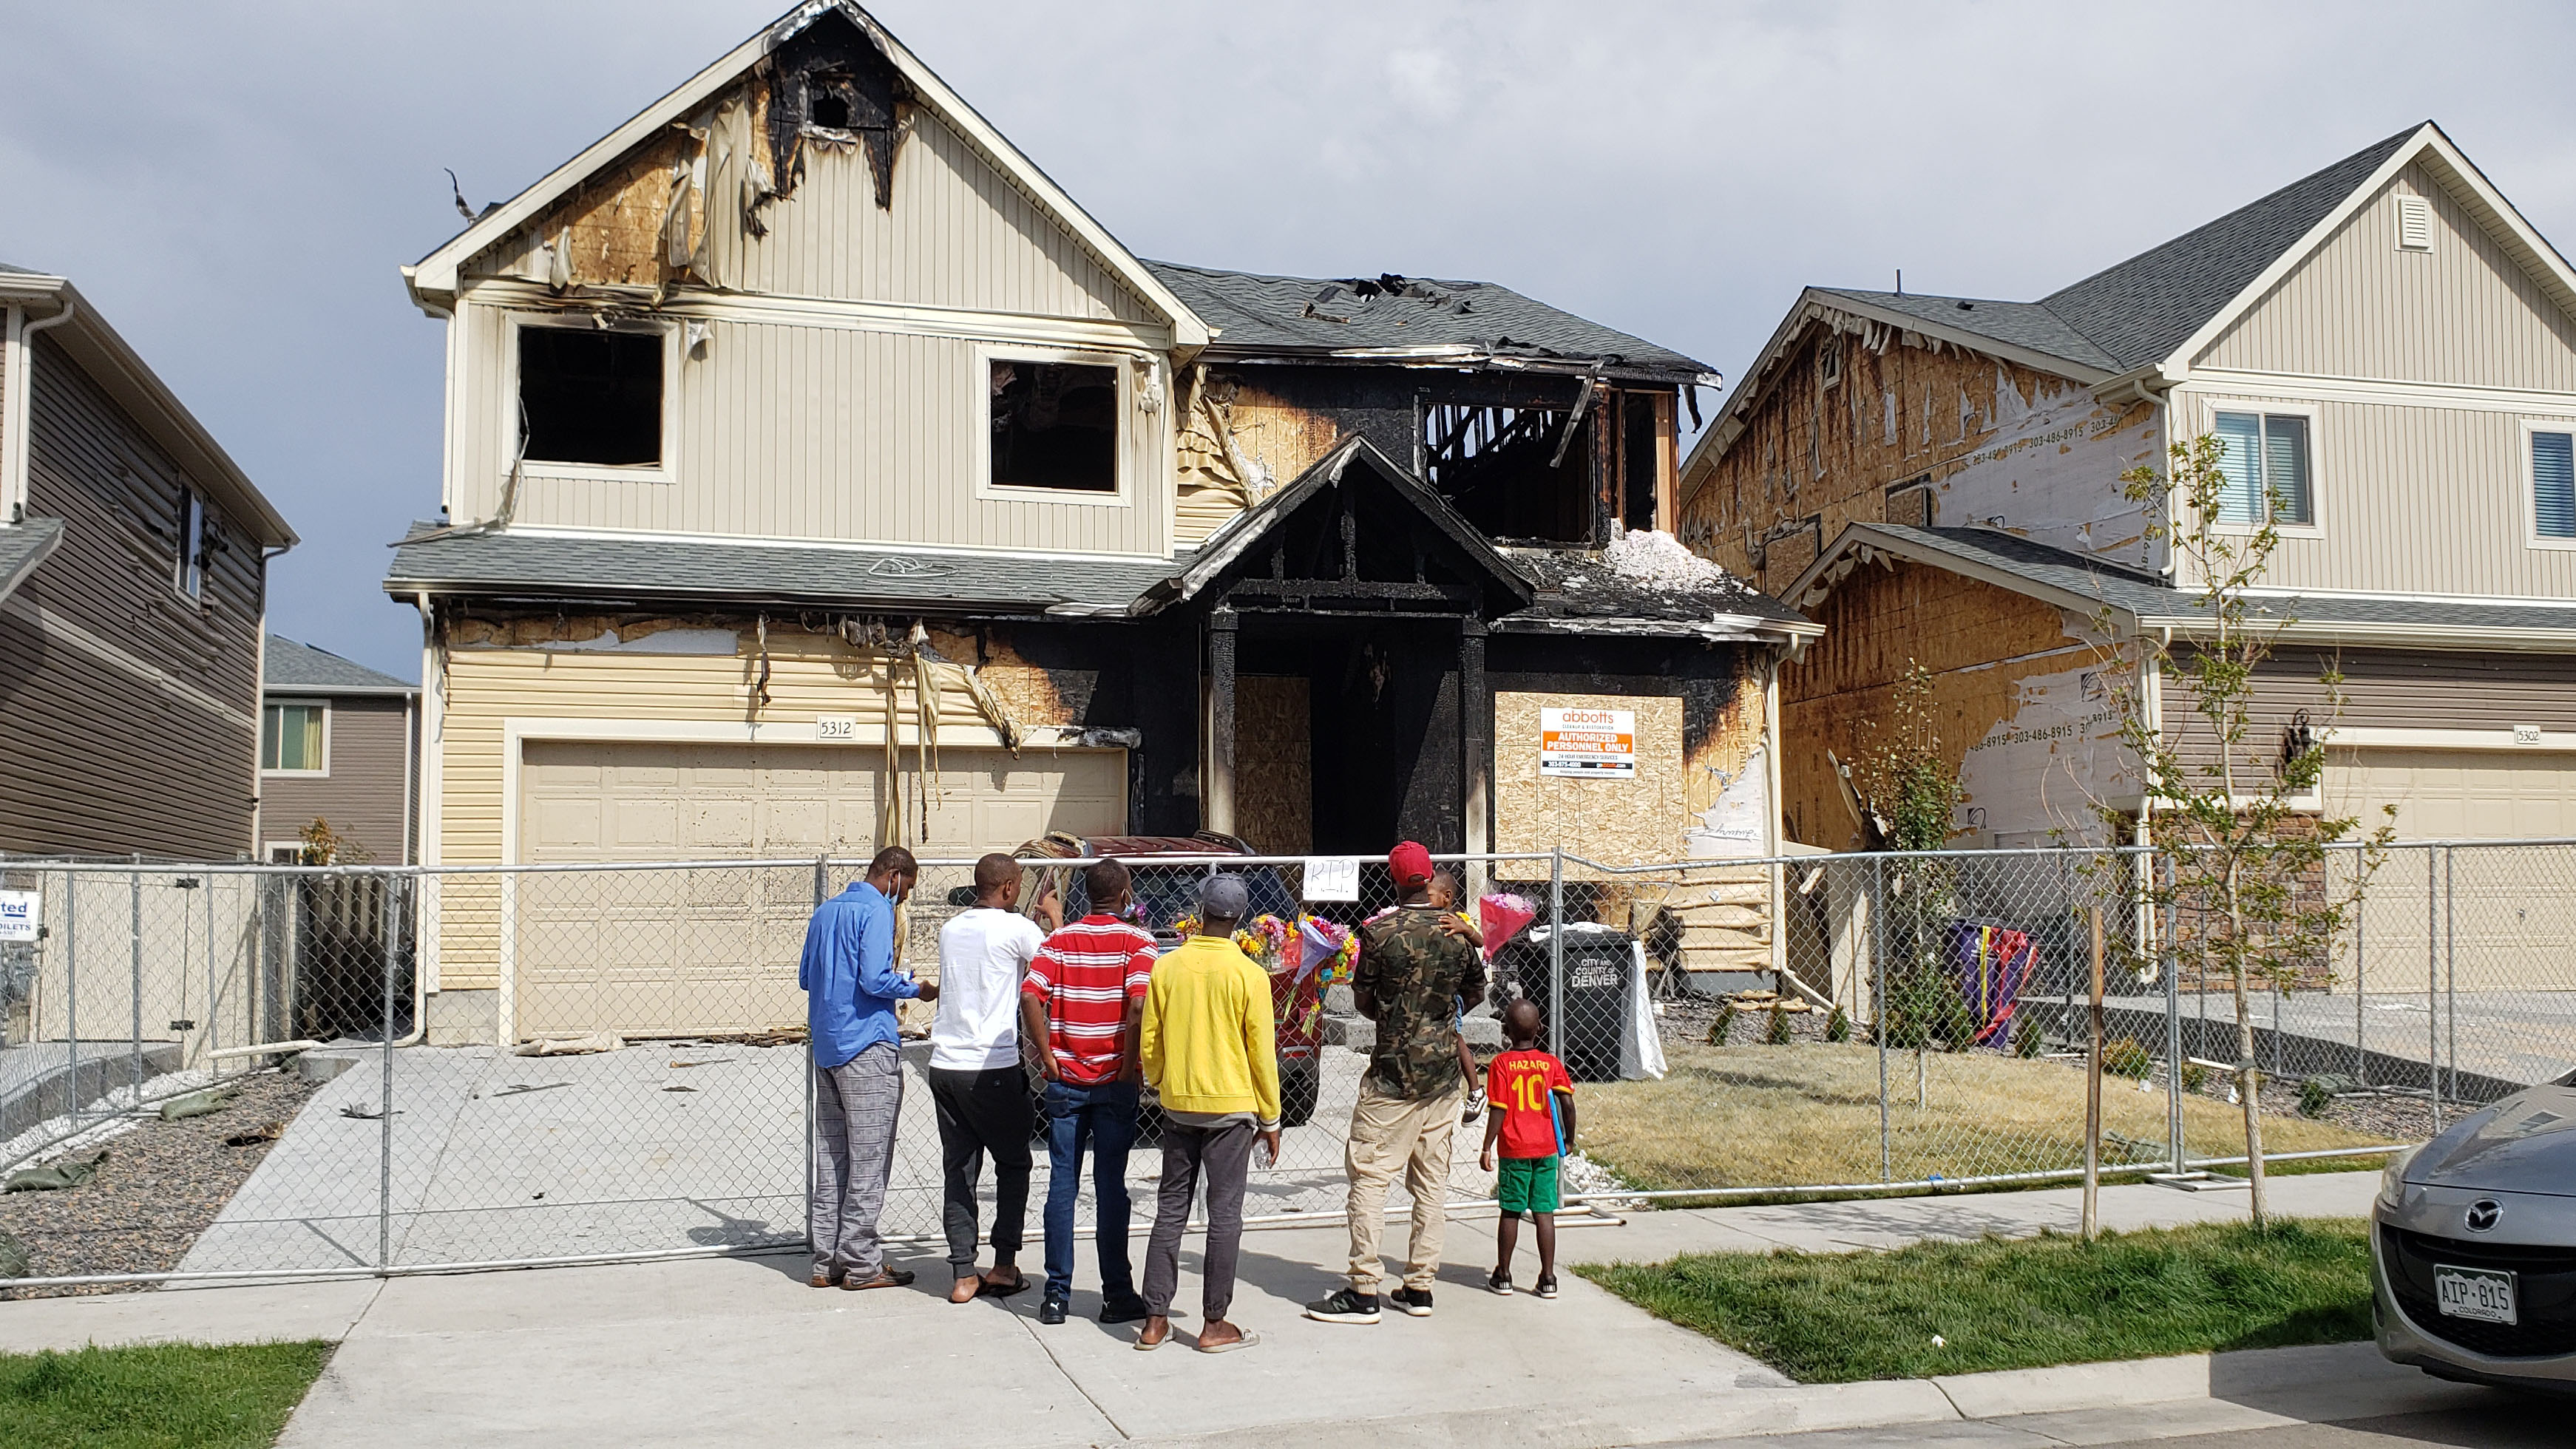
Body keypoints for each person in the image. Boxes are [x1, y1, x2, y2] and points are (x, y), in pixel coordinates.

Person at [1306, 841, 1486, 1326]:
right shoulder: (1458, 933)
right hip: (1444, 1077)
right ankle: (1419, 1286)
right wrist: (1442, 1015)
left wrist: (1394, 1015)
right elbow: (1475, 991)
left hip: (1391, 1077)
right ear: (1429, 878)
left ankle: (1364, 1289)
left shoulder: (1380, 933)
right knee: (1431, 1184)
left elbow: (1362, 996)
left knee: (1369, 1178)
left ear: (1393, 879)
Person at [1136, 873, 1281, 1354]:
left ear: (1201, 913)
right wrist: (1271, 1118)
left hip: (1179, 1104)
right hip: (1232, 1110)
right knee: (1224, 1215)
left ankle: (1155, 1319)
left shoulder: (1168, 967)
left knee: (1170, 1209)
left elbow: (1150, 1038)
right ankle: (1214, 1322)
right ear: (1240, 919)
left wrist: (1160, 1081)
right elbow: (1262, 1053)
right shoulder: (1249, 975)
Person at [1020, 858, 1159, 1326]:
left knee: (1062, 1184)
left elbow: (1029, 995)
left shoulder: (1058, 941)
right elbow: (1138, 1004)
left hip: (1065, 1080)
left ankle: (1055, 1295)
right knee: (1110, 1187)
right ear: (1125, 896)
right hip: (1114, 1082)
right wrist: (1126, 1066)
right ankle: (1116, 1293)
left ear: (1086, 896)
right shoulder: (1138, 942)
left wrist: (1047, 1056)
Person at [800, 845, 932, 1291]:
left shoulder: (826, 912)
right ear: (894, 875)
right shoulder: (876, 910)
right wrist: (916, 988)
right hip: (867, 1047)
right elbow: (875, 978)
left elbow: (806, 977)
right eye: (907, 888)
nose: (905, 899)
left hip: (828, 1045)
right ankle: (861, 1262)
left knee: (833, 1155)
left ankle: (826, 1260)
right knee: (869, 1157)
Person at [929, 853, 1048, 1304]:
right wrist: (1051, 921)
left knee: (959, 1168)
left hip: (945, 1064)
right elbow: (1053, 970)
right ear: (1009, 889)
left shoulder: (951, 929)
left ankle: (962, 1273)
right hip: (993, 1066)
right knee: (1014, 1164)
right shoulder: (1018, 929)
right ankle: (1003, 1266)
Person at [1478, 998, 1576, 1299]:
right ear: (1541, 1029)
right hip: (1546, 1148)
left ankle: (1504, 1274)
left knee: (1511, 1210)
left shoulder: (1501, 1064)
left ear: (1505, 1030)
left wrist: (1487, 1147)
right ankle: (1548, 1278)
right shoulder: (1550, 1063)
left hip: (1515, 1148)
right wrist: (1569, 1139)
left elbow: (1498, 1108)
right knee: (1544, 1212)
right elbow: (1568, 1103)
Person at [1425, 871, 1486, 1121]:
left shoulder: (1456, 920)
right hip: (1437, 992)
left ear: (1446, 897)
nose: (1424, 900)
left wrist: (1465, 929)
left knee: (1455, 1035)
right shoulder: (1428, 919)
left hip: (1453, 994)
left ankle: (1475, 1090)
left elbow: (1481, 942)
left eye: (1429, 896)